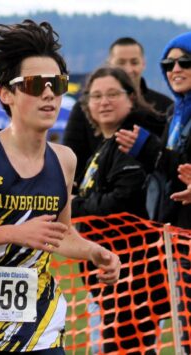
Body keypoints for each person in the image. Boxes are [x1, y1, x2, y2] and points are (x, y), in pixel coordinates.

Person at [0, 20, 120, 354]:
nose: (48, 94)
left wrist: (93, 252)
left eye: (56, 84)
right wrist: (14, 233)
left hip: (41, 333)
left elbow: (60, 233)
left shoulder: (64, 159)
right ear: (6, 93)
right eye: (34, 84)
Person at [72, 66, 164, 354]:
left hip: (133, 271)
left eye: (113, 94)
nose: (104, 101)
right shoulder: (106, 144)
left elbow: (121, 202)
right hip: (109, 270)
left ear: (131, 98)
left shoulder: (129, 140)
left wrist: (74, 205)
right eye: (96, 95)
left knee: (125, 347)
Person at [115, 31, 191, 354]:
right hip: (176, 233)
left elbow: (180, 164)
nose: (175, 69)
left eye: (185, 61)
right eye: (168, 63)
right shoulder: (175, 113)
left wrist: (151, 151)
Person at [63, 37, 173, 189]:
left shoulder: (163, 106)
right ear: (110, 64)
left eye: (134, 62)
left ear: (144, 63)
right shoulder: (83, 108)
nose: (128, 69)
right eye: (121, 62)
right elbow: (72, 156)